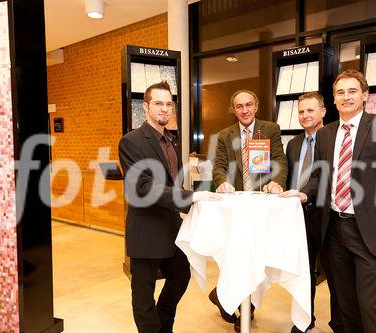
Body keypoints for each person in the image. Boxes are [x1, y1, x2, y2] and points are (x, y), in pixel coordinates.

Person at [293, 70, 376, 333]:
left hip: (370, 230)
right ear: (333, 100)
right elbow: (319, 175)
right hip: (334, 229)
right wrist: (303, 193)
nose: (346, 97)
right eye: (340, 92)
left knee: (370, 304)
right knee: (343, 302)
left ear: (365, 95)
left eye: (352, 91)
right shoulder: (325, 135)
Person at [119, 81, 220, 333]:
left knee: (179, 277)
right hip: (146, 229)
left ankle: (165, 326)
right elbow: (142, 187)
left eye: (168, 104)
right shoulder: (131, 141)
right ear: (146, 107)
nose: (164, 109)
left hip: (172, 227)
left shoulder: (171, 141)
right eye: (158, 103)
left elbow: (171, 180)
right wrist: (191, 197)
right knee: (143, 293)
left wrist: (181, 208)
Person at [210, 89, 288, 332]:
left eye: (248, 105)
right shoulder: (225, 135)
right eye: (239, 106)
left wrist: (277, 181)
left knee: (258, 257)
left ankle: (225, 297)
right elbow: (219, 166)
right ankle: (242, 307)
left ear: (256, 107)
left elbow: (279, 160)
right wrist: (221, 181)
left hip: (261, 204)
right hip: (235, 206)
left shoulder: (270, 129)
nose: (244, 110)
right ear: (234, 109)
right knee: (237, 255)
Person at [281, 92, 342, 333]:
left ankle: (340, 323)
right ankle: (305, 320)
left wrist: (305, 192)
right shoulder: (293, 144)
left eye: (310, 110)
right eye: (301, 111)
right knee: (302, 272)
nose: (305, 116)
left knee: (336, 273)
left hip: (328, 216)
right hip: (298, 215)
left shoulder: (334, 139)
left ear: (323, 111)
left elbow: (324, 177)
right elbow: (289, 177)